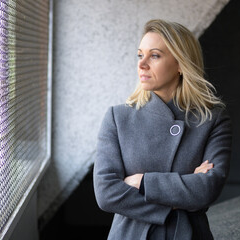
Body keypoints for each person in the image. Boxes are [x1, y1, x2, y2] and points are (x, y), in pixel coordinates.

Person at [93, 19, 232, 240]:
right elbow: (106, 194)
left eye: (154, 55)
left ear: (180, 64)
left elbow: (207, 188)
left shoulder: (212, 120)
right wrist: (177, 202)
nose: (142, 64)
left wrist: (141, 182)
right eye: (140, 55)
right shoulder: (118, 117)